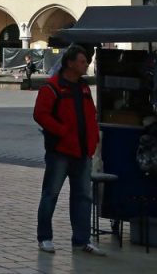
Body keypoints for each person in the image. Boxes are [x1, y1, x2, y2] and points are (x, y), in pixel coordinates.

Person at [33, 45, 105, 256]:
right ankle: (44, 238)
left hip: (82, 152)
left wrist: (92, 143)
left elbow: (91, 116)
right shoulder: (52, 87)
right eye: (83, 62)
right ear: (70, 63)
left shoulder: (83, 88)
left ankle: (82, 240)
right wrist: (62, 131)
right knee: (51, 194)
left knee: (83, 196)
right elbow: (40, 114)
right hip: (60, 152)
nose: (86, 65)